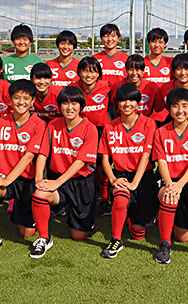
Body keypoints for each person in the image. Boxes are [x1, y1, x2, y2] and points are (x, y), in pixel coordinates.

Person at [0, 80, 46, 256]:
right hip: (4, 177)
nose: (21, 102)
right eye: (16, 98)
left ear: (32, 101)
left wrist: (7, 180)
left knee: (26, 233)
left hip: (26, 180)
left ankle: (23, 210)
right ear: (9, 100)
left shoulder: (39, 124)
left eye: (26, 98)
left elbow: (29, 156)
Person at [30, 86, 99, 258]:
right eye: (65, 103)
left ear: (81, 106)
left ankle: (84, 218)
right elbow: (43, 153)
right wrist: (39, 178)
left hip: (81, 182)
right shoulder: (53, 125)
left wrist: (58, 182)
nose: (69, 107)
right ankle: (44, 238)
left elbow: (81, 161)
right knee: (40, 194)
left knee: (78, 236)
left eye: (74, 103)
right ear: (59, 106)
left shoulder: (90, 128)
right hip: (57, 179)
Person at [99, 83, 158, 258]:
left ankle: (132, 217)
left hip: (143, 176)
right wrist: (112, 179)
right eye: (123, 100)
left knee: (138, 234)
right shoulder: (110, 127)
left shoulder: (148, 123)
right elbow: (104, 158)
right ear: (117, 103)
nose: (127, 104)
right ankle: (116, 239)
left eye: (131, 100)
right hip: (121, 175)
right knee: (120, 199)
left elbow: (146, 156)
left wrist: (135, 183)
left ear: (138, 103)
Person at [153, 88, 188, 264]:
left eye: (184, 105)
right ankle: (164, 244)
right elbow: (161, 161)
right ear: (169, 109)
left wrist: (180, 184)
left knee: (183, 237)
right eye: (175, 106)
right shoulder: (161, 131)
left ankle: (169, 217)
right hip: (168, 180)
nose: (180, 110)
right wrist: (170, 184)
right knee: (169, 196)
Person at [76, 56, 112, 216]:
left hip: (102, 131)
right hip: (81, 132)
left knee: (102, 165)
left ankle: (104, 199)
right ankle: (82, 198)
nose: (89, 75)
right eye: (85, 71)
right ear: (79, 72)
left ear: (99, 74)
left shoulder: (107, 87)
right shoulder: (74, 89)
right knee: (82, 166)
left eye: (93, 71)